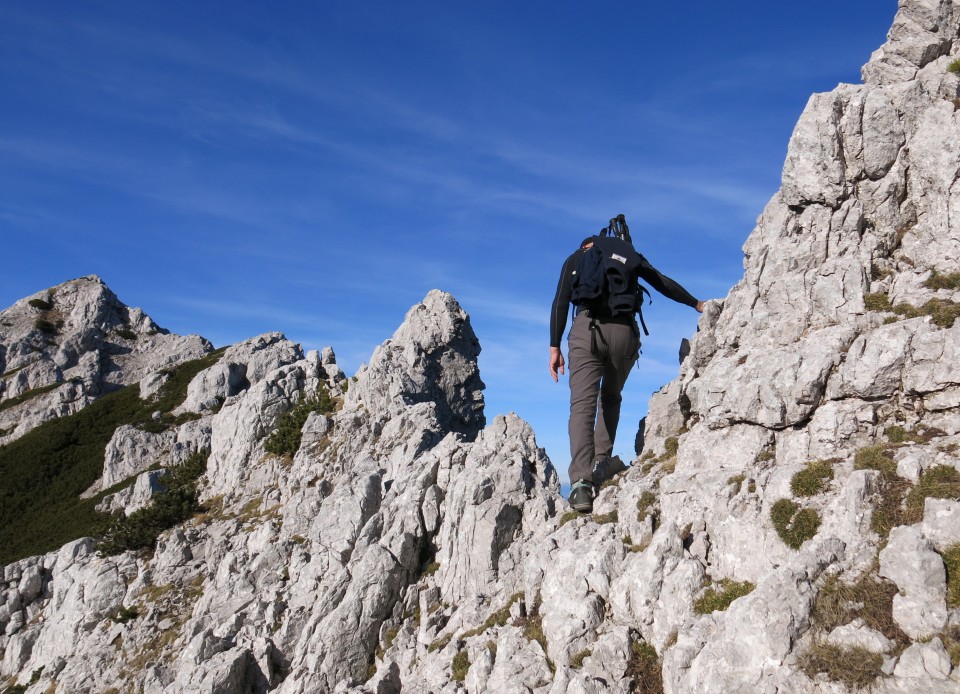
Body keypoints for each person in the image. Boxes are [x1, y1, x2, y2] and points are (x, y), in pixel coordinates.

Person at [549, 222, 704, 513]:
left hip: (587, 329)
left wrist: (554, 347)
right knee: (611, 397)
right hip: (624, 333)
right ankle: (602, 460)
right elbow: (661, 281)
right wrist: (696, 303)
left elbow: (560, 301)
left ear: (587, 244)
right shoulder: (627, 254)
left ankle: (582, 484)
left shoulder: (576, 258)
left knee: (582, 405)